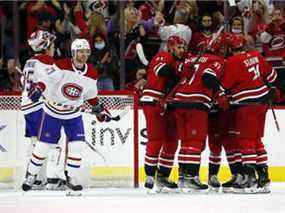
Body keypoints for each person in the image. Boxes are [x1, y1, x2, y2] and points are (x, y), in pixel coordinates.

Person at [21, 38, 111, 194]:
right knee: (44, 146)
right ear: (74, 53)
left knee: (77, 146)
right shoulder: (61, 65)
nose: (83, 55)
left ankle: (71, 177)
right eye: (80, 52)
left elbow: (90, 95)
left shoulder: (91, 73)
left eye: (86, 52)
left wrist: (98, 108)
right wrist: (39, 89)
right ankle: (31, 174)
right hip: (52, 112)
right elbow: (47, 80)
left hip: (73, 114)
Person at [219, 34, 278, 194]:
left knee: (246, 141)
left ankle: (250, 180)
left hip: (246, 105)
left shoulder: (232, 62)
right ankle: (264, 179)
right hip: (262, 103)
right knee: (256, 140)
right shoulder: (256, 55)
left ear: (229, 49)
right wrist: (270, 87)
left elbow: (223, 86)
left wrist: (221, 96)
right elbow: (272, 75)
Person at [173, 43, 224, 193]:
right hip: (196, 102)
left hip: (179, 101)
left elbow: (177, 71)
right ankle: (191, 177)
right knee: (195, 142)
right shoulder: (215, 60)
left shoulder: (189, 60)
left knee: (185, 142)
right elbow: (208, 77)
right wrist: (220, 92)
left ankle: (182, 177)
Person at [140, 35, 187, 192]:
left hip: (168, 104)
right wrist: (179, 69)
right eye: (179, 47)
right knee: (156, 139)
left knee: (171, 141)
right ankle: (149, 175)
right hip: (153, 101)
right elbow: (163, 71)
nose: (182, 50)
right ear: (171, 47)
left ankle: (163, 176)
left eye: (183, 48)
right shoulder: (164, 56)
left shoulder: (178, 62)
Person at [21, 30, 56, 189]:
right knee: (53, 141)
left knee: (36, 142)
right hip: (39, 107)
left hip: (27, 106)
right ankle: (52, 178)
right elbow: (55, 81)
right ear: (46, 45)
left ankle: (34, 178)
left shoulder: (29, 62)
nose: (53, 48)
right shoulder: (46, 61)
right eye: (52, 44)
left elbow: (24, 80)